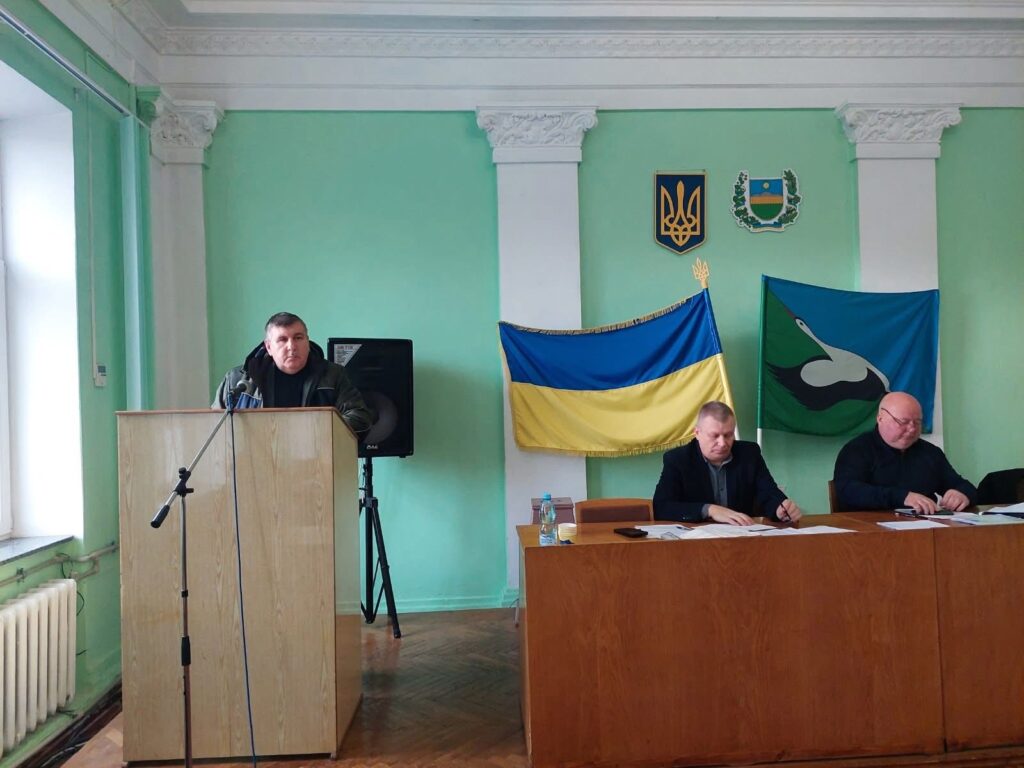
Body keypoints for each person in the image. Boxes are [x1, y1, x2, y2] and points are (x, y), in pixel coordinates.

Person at [213, 311, 374, 435]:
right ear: (269, 347)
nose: (292, 346)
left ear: (307, 341)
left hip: (316, 461)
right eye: (282, 340)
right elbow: (214, 425)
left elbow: (360, 417)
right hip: (254, 460)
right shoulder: (237, 380)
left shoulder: (332, 375)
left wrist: (318, 431)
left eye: (298, 338)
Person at [653, 401, 802, 525]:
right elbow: (662, 507)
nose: (722, 443)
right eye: (714, 436)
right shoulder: (678, 459)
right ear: (697, 433)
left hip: (742, 538)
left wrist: (780, 509)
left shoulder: (749, 454)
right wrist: (709, 510)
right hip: (695, 541)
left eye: (728, 435)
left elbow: (768, 493)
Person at [833, 391, 976, 513]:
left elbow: (963, 485)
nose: (912, 429)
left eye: (917, 422)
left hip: (922, 527)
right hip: (868, 527)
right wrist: (903, 497)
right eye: (903, 422)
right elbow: (848, 491)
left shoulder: (930, 453)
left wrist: (962, 494)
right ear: (880, 419)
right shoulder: (857, 450)